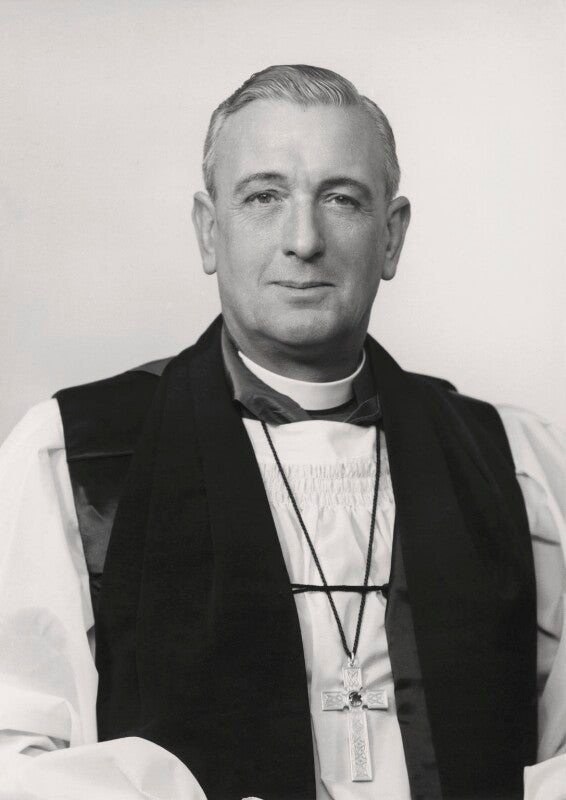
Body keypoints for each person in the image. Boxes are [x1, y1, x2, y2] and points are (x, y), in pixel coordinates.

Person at [0, 64, 564, 800]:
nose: (304, 239)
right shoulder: (74, 457)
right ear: (210, 231)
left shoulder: (513, 462)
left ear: (392, 238)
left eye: (341, 198)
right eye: (264, 197)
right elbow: (18, 759)